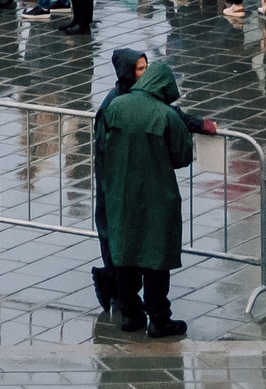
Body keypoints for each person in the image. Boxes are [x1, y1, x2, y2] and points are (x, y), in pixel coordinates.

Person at [95, 58, 196, 337]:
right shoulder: (165, 115)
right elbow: (182, 156)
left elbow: (103, 143)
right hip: (157, 197)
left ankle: (130, 314)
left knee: (126, 252)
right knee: (156, 257)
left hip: (121, 193)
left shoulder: (115, 106)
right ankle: (159, 319)